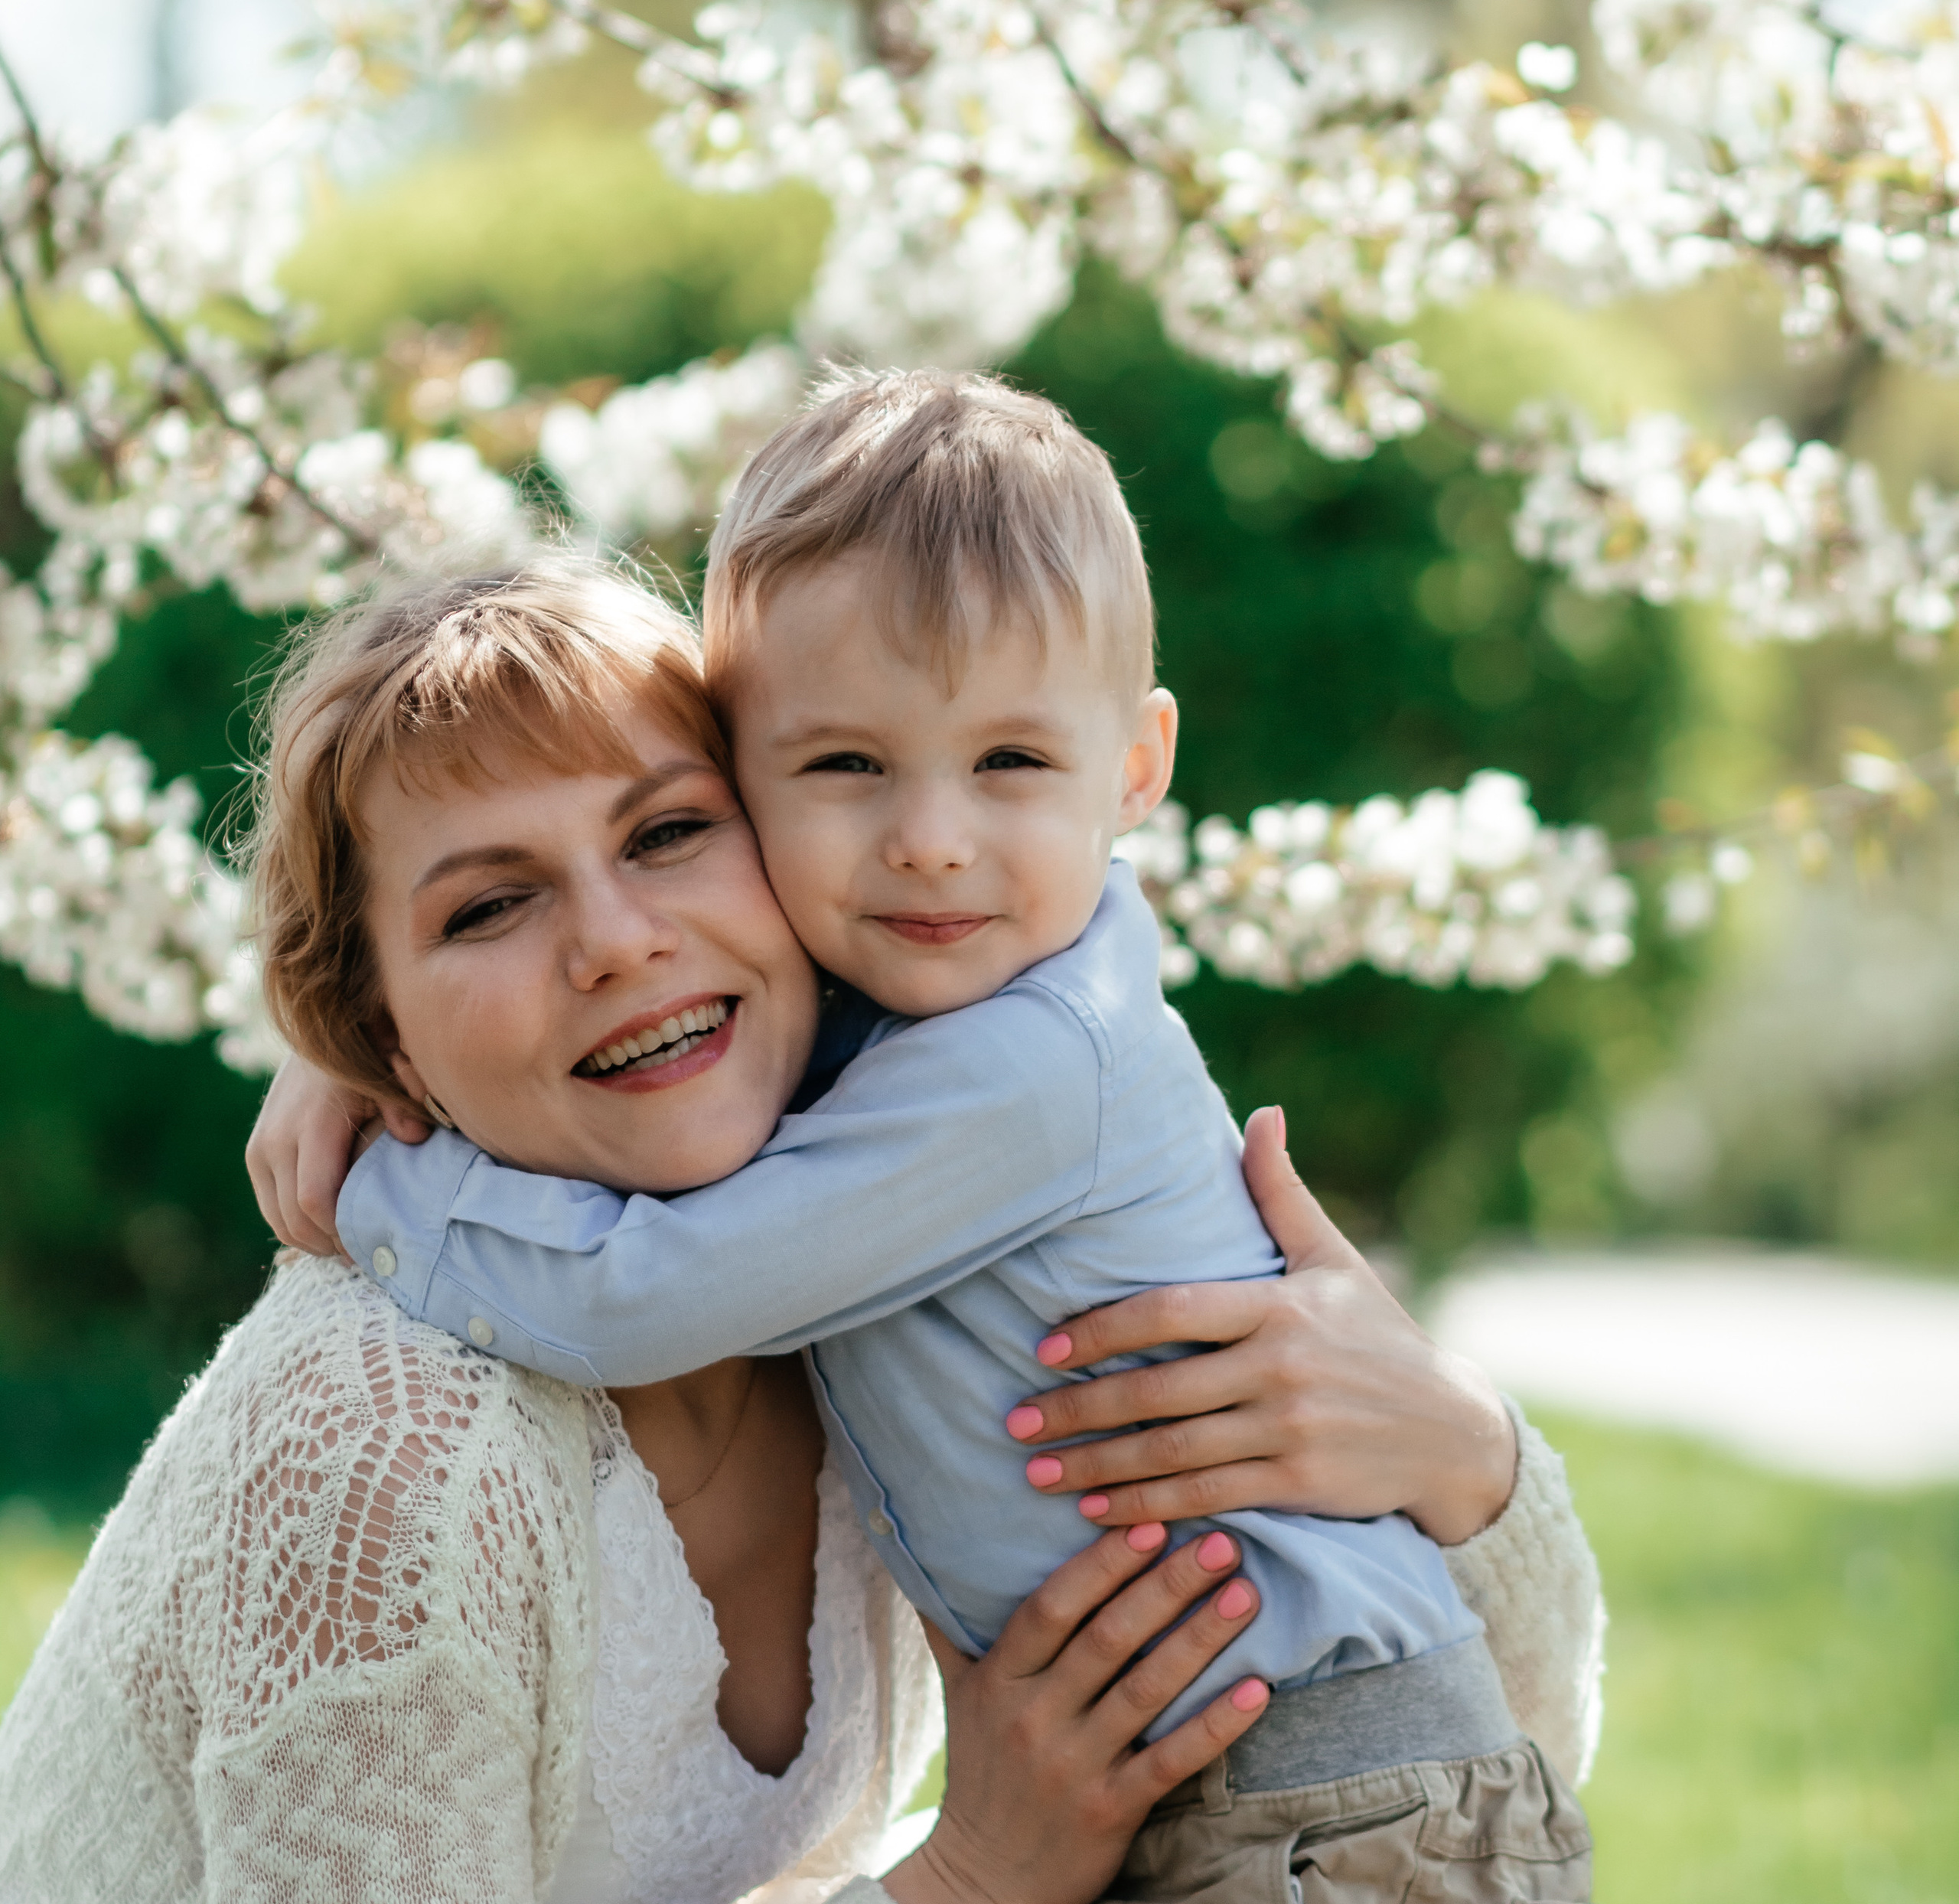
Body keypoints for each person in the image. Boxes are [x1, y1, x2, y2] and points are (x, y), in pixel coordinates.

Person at [2, 560, 1600, 1904]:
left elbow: (1501, 1746)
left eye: (668, 832)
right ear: (386, 1040)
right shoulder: (384, 1455)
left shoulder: (874, 1240)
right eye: (489, 907)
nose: (619, 943)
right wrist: (958, 1876)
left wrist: (1454, 1451)